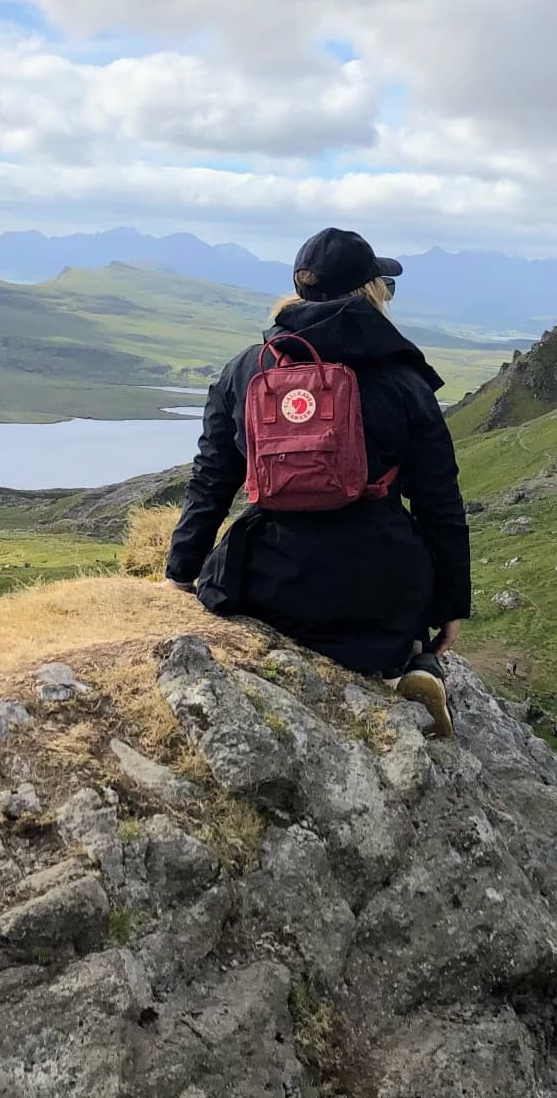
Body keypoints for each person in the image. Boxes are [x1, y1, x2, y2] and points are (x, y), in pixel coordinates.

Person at [165, 228, 471, 735]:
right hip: (380, 594)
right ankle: (415, 664)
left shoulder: (247, 369)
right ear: (372, 292)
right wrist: (450, 605)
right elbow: (439, 500)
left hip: (268, 586)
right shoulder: (404, 377)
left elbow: (212, 480)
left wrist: (181, 571)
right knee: (402, 589)